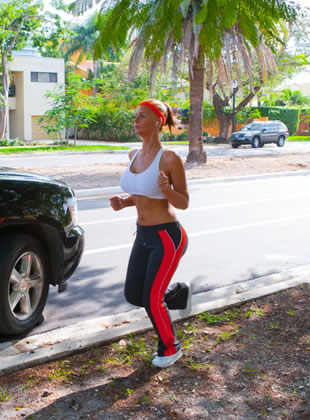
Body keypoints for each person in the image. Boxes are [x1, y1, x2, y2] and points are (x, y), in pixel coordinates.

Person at [110, 99, 191, 368]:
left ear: (157, 121)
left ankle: (171, 348)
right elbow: (142, 192)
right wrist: (125, 201)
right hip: (143, 235)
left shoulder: (169, 158)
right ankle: (178, 294)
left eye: (142, 116)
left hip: (167, 237)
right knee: (135, 294)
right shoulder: (133, 155)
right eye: (135, 116)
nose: (136, 121)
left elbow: (183, 202)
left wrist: (167, 190)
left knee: (151, 299)